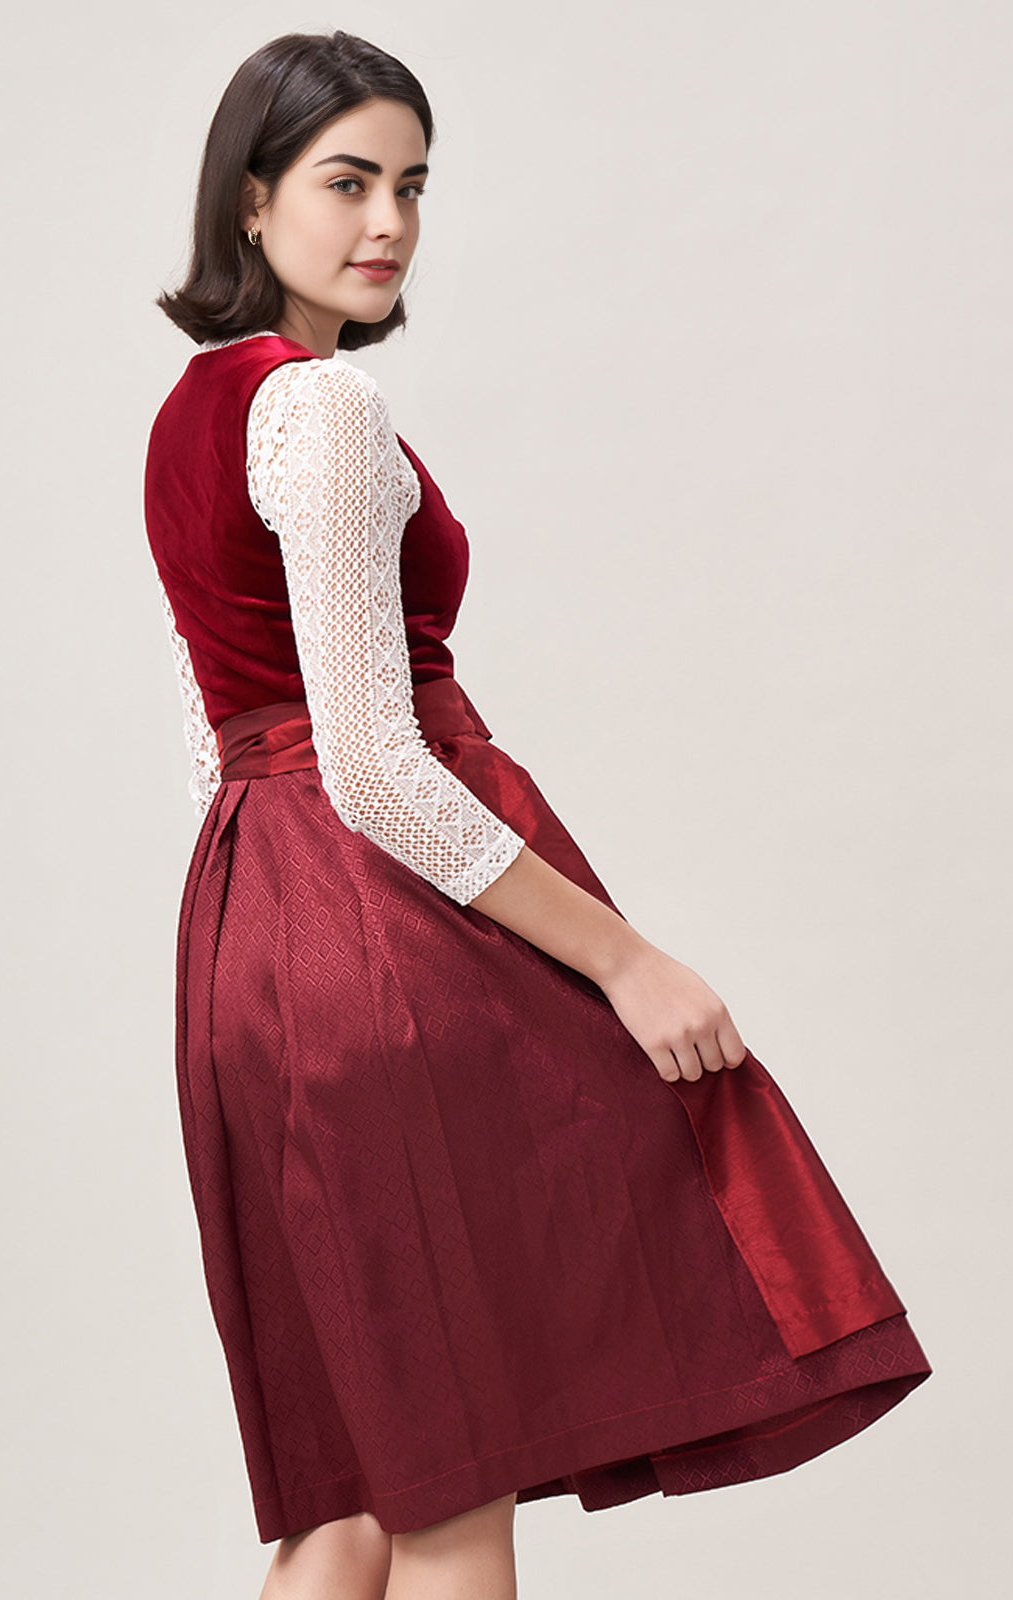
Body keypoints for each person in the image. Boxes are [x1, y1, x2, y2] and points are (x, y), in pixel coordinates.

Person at [143, 29, 931, 1600]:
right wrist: (630, 963)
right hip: (376, 938)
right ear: (251, 201)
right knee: (454, 1494)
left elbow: (214, 740)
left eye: (413, 187)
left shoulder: (188, 413)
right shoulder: (320, 407)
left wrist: (273, 936)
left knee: (352, 1502)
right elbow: (374, 768)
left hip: (249, 935)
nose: (388, 222)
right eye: (348, 182)